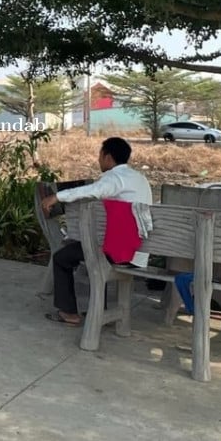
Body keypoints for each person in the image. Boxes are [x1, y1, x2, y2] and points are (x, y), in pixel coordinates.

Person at [38, 136, 153, 325]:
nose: (98, 160)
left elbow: (93, 190)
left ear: (108, 157)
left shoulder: (115, 177)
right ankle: (99, 310)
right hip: (139, 253)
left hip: (122, 253)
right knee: (95, 247)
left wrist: (56, 197)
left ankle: (69, 313)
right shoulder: (140, 178)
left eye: (100, 155)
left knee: (62, 257)